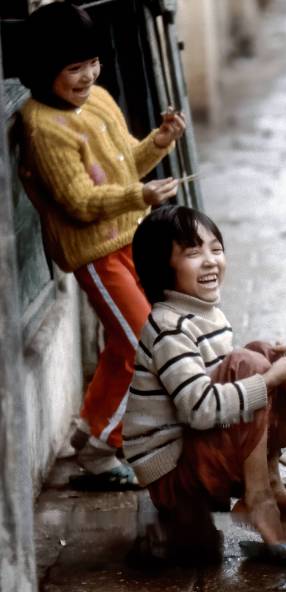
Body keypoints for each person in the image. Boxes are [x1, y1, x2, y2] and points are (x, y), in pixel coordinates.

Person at [17, 2, 185, 489]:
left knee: (124, 344)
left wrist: (159, 141)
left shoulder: (101, 100)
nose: (88, 75)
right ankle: (101, 448)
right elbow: (78, 201)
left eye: (92, 62)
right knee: (142, 343)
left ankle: (92, 427)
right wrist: (140, 194)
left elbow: (125, 165)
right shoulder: (41, 124)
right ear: (44, 70)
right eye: (74, 68)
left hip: (132, 237)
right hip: (95, 252)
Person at [122, 205, 286, 561]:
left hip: (195, 450)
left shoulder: (207, 313)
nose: (210, 261)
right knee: (250, 363)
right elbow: (200, 409)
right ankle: (258, 499)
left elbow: (228, 390)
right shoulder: (169, 326)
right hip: (172, 471)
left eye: (216, 249)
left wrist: (273, 367)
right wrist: (269, 377)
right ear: (163, 265)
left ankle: (270, 482)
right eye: (193, 253)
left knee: (258, 354)